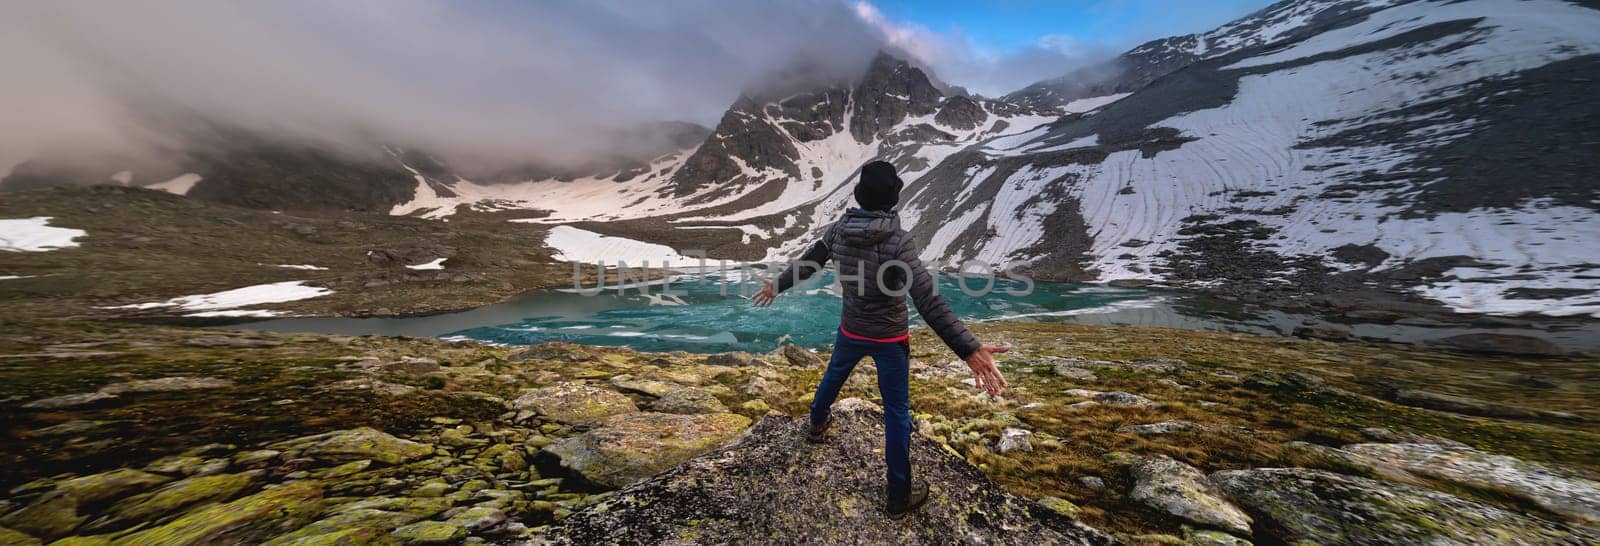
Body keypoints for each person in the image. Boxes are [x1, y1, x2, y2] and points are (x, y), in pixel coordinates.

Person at [751, 160, 1010, 519]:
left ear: (859, 195)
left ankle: (816, 423)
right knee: (896, 411)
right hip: (890, 338)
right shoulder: (899, 242)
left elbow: (812, 261)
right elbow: (928, 300)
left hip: (851, 329)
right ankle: (898, 494)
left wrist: (778, 285)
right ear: (893, 200)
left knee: (833, 376)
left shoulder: (840, 228)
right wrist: (969, 349)